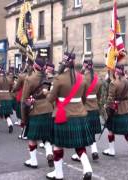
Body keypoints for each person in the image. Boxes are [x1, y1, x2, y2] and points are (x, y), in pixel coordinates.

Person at [46, 51, 94, 180]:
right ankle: (87, 168)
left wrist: (47, 92)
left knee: (57, 145)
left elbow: (51, 99)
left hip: (63, 115)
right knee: (79, 145)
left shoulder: (58, 78)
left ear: (64, 62)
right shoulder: (82, 78)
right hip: (80, 115)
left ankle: (59, 174)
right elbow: (84, 99)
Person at [21, 57, 54, 169]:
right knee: (46, 135)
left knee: (32, 137)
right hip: (49, 108)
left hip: (36, 110)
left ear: (34, 66)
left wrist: (24, 118)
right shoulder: (49, 78)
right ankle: (49, 152)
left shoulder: (29, 79)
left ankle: (33, 160)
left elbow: (24, 100)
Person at [102, 64, 128, 161]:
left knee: (110, 129)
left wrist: (106, 106)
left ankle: (111, 149)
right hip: (127, 108)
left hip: (117, 109)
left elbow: (110, 98)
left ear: (116, 72)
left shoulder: (114, 83)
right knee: (127, 132)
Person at [71, 58, 102, 162]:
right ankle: (94, 151)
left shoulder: (82, 78)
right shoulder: (98, 79)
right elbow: (99, 96)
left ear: (85, 66)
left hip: (85, 108)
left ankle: (79, 154)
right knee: (91, 131)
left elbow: (78, 93)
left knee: (82, 132)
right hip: (95, 108)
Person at [0, 68, 14, 133]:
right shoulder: (9, 79)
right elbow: (11, 88)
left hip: (0, 97)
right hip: (8, 97)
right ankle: (10, 123)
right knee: (7, 113)